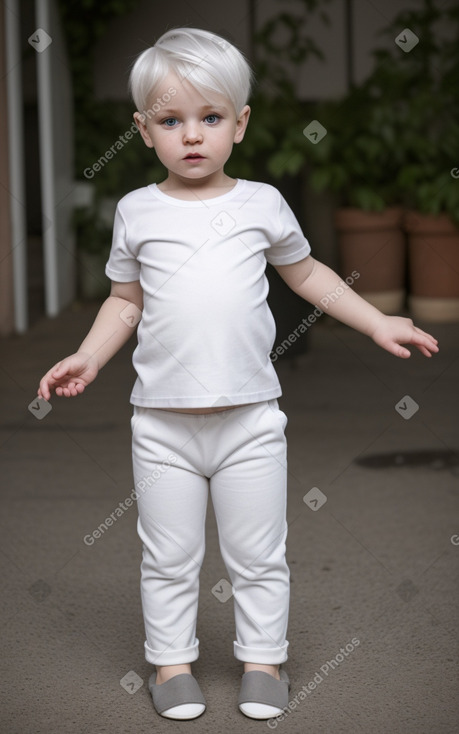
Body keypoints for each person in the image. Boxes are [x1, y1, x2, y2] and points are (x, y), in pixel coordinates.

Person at [37, 27, 439, 722]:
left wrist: (374, 320)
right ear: (143, 130)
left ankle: (262, 660)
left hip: (251, 420)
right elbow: (123, 302)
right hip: (161, 423)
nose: (191, 136)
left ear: (240, 123)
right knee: (168, 556)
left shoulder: (261, 204)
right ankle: (170, 665)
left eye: (210, 118)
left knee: (259, 554)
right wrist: (90, 354)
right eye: (170, 121)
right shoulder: (136, 212)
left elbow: (308, 273)